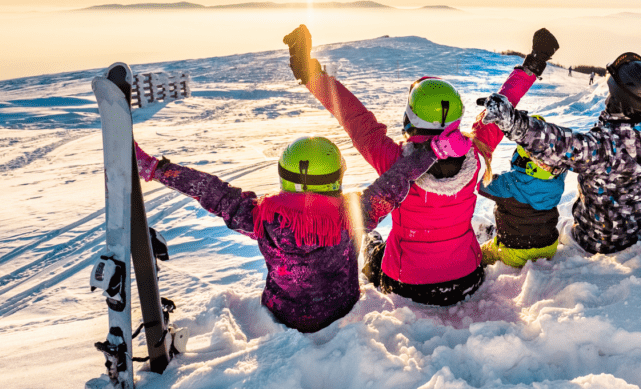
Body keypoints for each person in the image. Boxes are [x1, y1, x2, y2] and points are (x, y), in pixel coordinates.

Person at [284, 24, 559, 305]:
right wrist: (533, 64)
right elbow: (502, 106)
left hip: (406, 284)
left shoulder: (394, 163)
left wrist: (310, 74)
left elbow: (355, 118)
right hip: (467, 278)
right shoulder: (475, 154)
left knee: (373, 245)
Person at [133, 128, 471, 332]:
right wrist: (434, 151)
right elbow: (396, 182)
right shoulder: (354, 215)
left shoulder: (261, 217)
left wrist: (155, 169)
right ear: (337, 177)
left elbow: (210, 190)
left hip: (283, 313)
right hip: (341, 309)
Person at [479, 31, 641, 254]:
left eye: (612, 94)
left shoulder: (605, 147)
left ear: (621, 104)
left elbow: (556, 143)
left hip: (596, 243)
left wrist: (511, 121)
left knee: (557, 231)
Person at [477, 115, 567, 268]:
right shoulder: (557, 180)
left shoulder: (508, 183)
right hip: (548, 247)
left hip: (514, 252)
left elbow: (481, 184)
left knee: (480, 254)